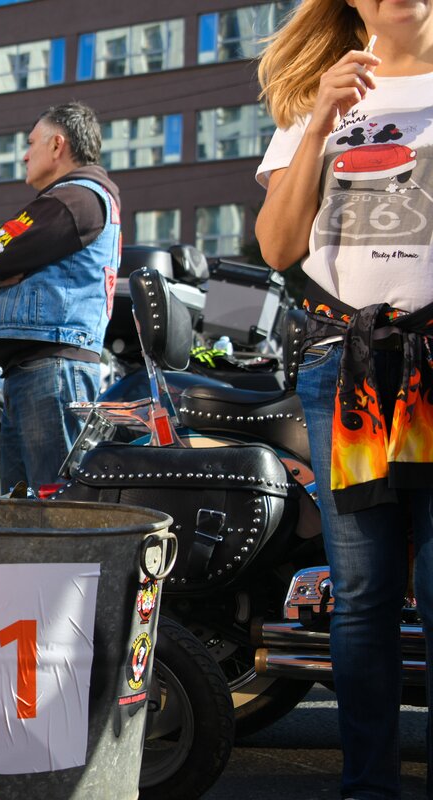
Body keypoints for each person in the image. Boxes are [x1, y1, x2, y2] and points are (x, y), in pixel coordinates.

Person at [255, 2, 433, 798]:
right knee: (361, 596)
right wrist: (322, 120)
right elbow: (277, 246)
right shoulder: (313, 100)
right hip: (346, 366)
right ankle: (368, 788)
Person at [0, 102, 121, 493]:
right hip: (40, 369)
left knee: (54, 506)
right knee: (25, 507)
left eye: (31, 143)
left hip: (53, 370)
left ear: (57, 145)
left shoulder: (73, 200)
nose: (25, 154)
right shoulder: (71, 201)